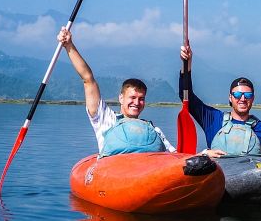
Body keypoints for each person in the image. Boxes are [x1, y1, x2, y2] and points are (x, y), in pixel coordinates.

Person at [58, 27, 175, 157]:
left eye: (141, 98)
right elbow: (88, 79)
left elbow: (174, 158)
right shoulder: (105, 118)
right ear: (121, 98)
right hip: (114, 171)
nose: (137, 102)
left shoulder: (154, 130)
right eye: (132, 97)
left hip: (147, 173)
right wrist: (69, 45)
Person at [178, 44, 261, 158]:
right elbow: (186, 96)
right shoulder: (213, 119)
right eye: (238, 94)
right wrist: (187, 64)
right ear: (230, 97)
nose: (243, 99)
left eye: (248, 95)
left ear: (253, 98)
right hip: (219, 174)